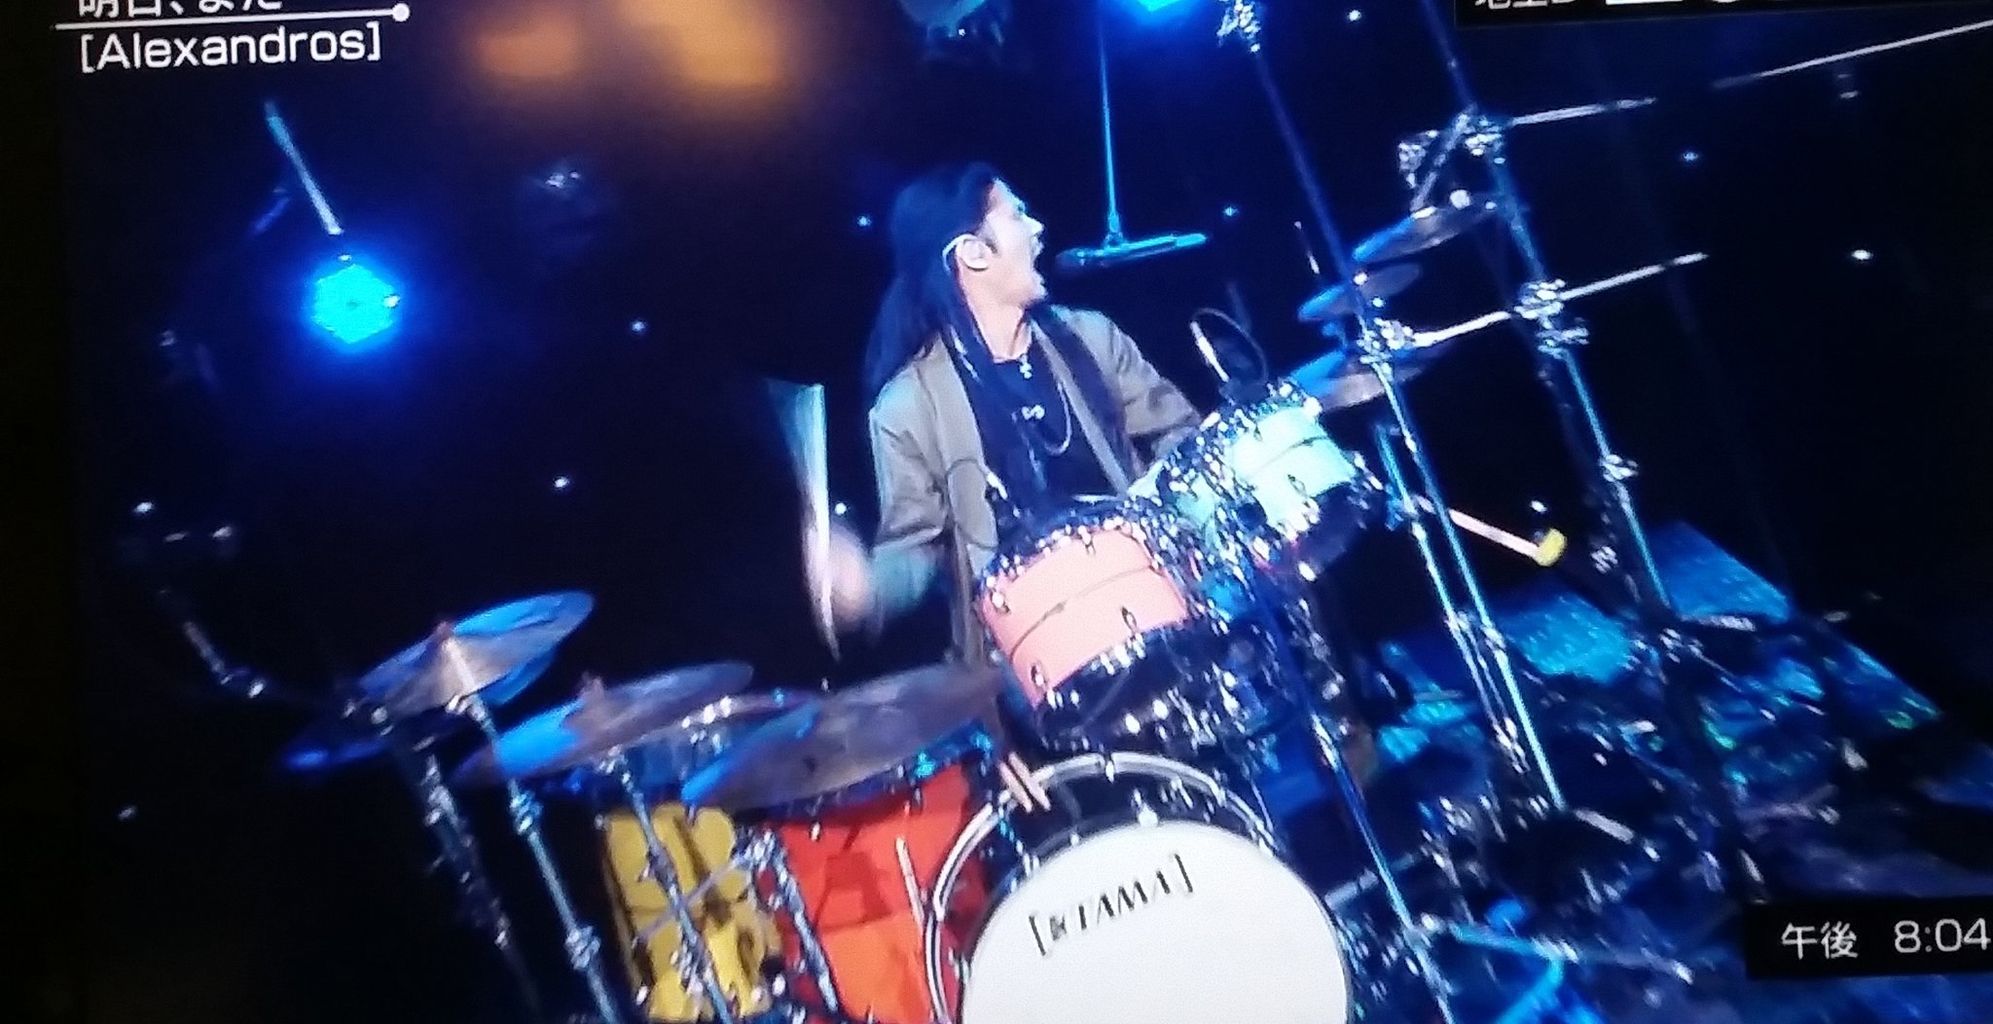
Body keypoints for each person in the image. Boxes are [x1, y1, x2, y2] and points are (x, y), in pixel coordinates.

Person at [815, 162, 1200, 663]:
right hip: (1032, 659)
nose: (1037, 228)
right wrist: (867, 589)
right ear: (973, 253)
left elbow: (1179, 433)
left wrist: (1179, 508)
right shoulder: (908, 407)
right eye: (1017, 215)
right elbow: (912, 545)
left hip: (1154, 601)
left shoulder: (1091, 336)